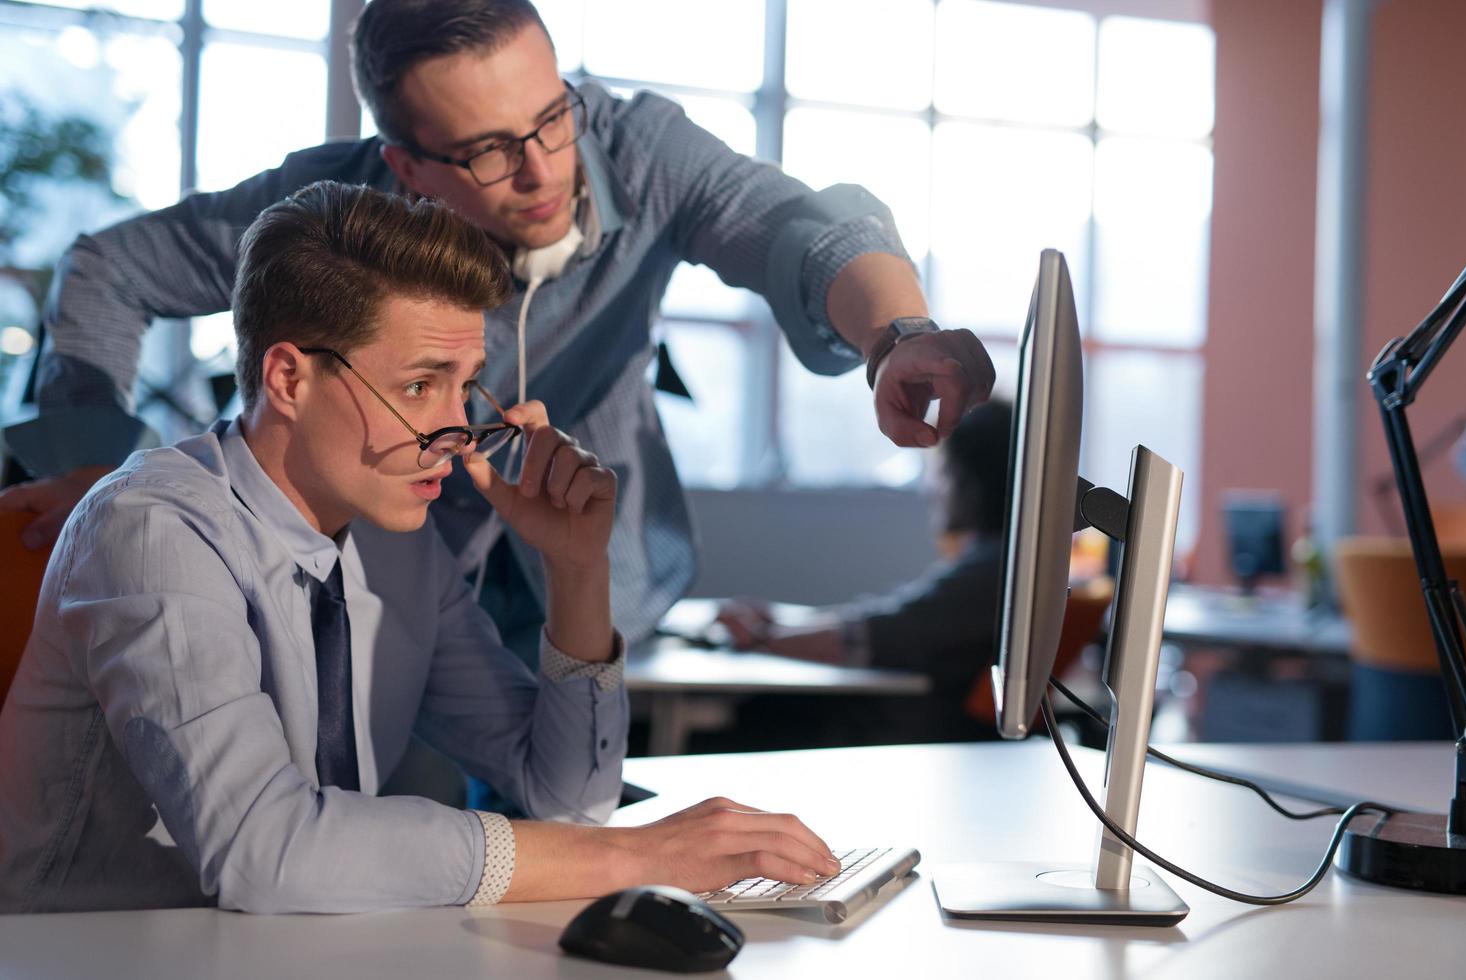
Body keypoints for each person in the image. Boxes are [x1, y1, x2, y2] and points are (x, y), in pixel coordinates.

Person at [0, 0, 995, 656]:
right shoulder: (327, 211)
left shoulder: (638, 152)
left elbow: (805, 230)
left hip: (601, 581)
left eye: (551, 118)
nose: (543, 170)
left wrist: (895, 332)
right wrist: (93, 473)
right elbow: (106, 271)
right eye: (486, 151)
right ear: (406, 166)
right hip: (384, 606)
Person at [0, 182, 839, 914]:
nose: (452, 432)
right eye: (417, 385)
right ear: (290, 379)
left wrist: (576, 569)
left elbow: (563, 795)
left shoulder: (394, 545)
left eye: (462, 385)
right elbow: (267, 850)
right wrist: (640, 855)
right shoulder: (152, 531)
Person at [711, 400, 1015, 748]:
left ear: (972, 481)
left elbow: (872, 633)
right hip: (907, 731)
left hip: (891, 738)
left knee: (746, 716)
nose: (932, 489)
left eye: (942, 472)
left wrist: (760, 637)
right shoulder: (993, 564)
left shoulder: (991, 572)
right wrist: (782, 623)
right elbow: (889, 615)